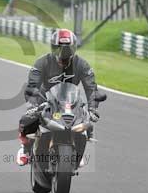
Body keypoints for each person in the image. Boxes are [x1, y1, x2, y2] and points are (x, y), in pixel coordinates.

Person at [16, 28, 99, 166]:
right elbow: (32, 85)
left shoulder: (82, 64)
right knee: (27, 120)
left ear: (73, 48)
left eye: (67, 49)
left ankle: (78, 152)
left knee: (88, 123)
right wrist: (32, 104)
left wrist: (93, 108)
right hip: (45, 100)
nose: (63, 54)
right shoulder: (42, 62)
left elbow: (91, 88)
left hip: (72, 102)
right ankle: (25, 149)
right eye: (59, 48)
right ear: (53, 48)